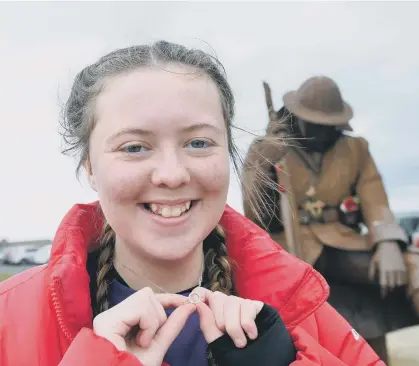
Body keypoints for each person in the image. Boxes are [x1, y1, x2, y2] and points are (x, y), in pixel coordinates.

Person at [0, 42, 384, 366]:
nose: (172, 174)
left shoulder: (302, 308)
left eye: (198, 143)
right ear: (90, 167)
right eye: (134, 147)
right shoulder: (10, 315)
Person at [242, 76, 419, 366]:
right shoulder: (269, 148)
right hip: (290, 248)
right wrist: (263, 164)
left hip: (342, 244)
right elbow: (257, 218)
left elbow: (376, 201)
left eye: (329, 125)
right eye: (316, 123)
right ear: (299, 118)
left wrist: (387, 243)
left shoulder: (355, 149)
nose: (325, 132)